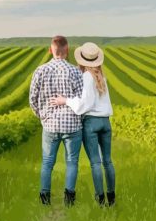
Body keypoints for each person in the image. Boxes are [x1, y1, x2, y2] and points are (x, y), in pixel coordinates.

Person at [50, 42, 116, 207]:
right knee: (108, 161)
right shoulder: (102, 75)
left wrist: (64, 100)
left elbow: (85, 104)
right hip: (105, 122)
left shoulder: (87, 76)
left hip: (91, 122)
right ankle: (112, 198)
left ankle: (100, 200)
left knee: (95, 163)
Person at [29, 35, 83, 206]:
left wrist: (42, 116)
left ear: (50, 50)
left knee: (47, 163)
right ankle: (69, 198)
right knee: (72, 162)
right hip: (72, 124)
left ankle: (45, 198)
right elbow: (82, 100)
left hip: (50, 125)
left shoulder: (40, 71)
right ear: (67, 50)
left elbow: (32, 99)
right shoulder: (75, 71)